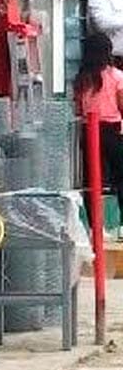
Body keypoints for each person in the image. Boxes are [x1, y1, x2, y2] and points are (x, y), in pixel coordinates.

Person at [74, 32, 123, 238]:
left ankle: (96, 229)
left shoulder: (81, 79)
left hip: (88, 132)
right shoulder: (117, 76)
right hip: (112, 131)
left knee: (92, 180)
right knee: (120, 178)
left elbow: (78, 108)